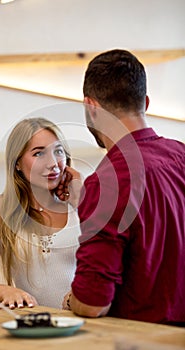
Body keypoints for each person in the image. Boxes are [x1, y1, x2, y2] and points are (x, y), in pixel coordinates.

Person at [63, 49, 185, 325]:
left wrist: (71, 300)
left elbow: (94, 303)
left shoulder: (107, 183)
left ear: (91, 107)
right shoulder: (181, 155)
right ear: (146, 102)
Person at [0, 117, 81, 309]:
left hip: (85, 325)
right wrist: (6, 291)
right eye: (39, 153)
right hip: (32, 328)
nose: (53, 163)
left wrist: (83, 200)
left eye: (58, 151)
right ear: (17, 163)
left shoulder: (81, 206)